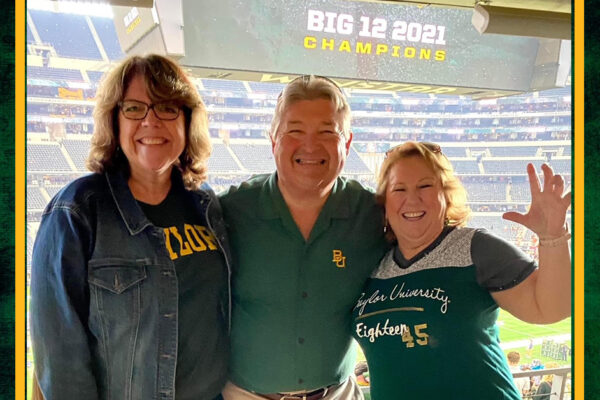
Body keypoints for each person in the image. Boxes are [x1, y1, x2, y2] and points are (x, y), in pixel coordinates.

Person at [29, 54, 231, 400]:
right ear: (115, 120)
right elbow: (59, 356)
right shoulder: (76, 212)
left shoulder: (205, 204)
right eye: (135, 108)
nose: (151, 121)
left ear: (187, 120)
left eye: (167, 107)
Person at [352, 141, 571, 399]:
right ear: (384, 202)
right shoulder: (372, 262)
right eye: (399, 189)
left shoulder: (476, 248)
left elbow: (551, 308)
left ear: (446, 194)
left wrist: (552, 238)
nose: (412, 199)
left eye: (425, 186)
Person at [219, 75, 388, 399]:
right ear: (273, 141)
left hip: (337, 393)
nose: (310, 146)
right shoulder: (230, 211)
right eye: (295, 131)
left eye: (327, 132)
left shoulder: (373, 215)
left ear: (347, 144)